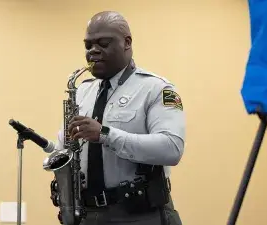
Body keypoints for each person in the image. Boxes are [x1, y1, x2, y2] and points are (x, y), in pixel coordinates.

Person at [51, 11, 185, 225]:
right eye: (88, 46)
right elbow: (64, 150)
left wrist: (105, 134)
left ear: (127, 42)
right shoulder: (82, 91)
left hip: (139, 214)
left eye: (103, 43)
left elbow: (171, 149)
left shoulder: (155, 89)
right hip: (87, 215)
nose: (93, 51)